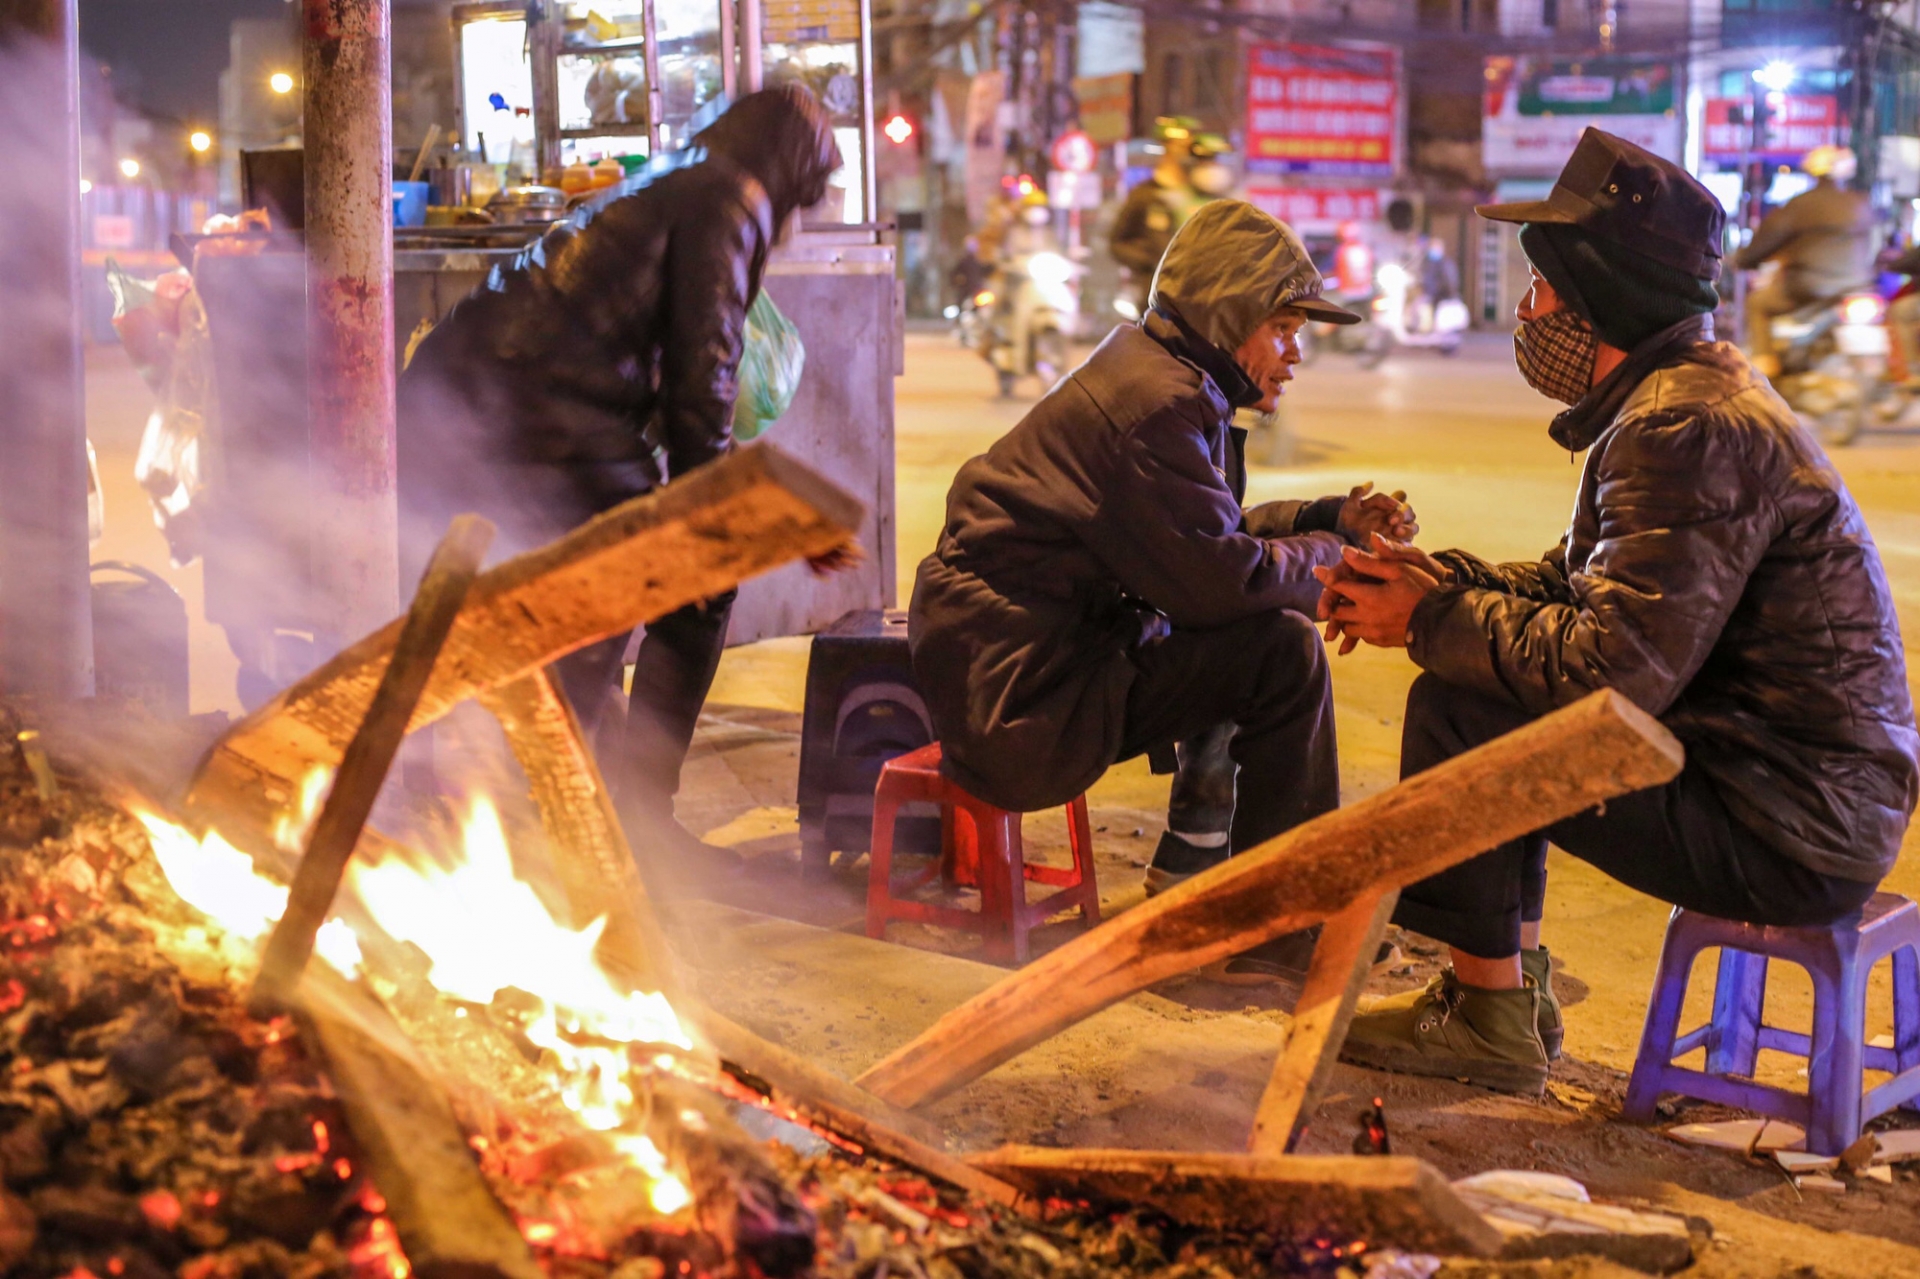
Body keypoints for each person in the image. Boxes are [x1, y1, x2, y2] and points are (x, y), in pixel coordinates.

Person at [1317, 128, 1919, 1094]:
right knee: (1479, 678)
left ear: (1602, 296)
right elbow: (1574, 584)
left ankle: (1488, 1012)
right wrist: (1427, 577)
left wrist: (1430, 621)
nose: (1524, 312)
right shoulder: (1679, 399)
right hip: (1794, 793)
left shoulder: (1684, 425)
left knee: (1463, 708)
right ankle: (1511, 993)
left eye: (1541, 289)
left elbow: (1611, 666)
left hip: (1789, 827)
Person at [911, 199, 1416, 981]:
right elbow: (1217, 576)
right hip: (1021, 697)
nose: (1295, 353)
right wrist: (1331, 559)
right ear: (1228, 313)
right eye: (1282, 327)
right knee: (1277, 648)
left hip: (1041, 661)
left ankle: (1207, 862)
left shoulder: (1160, 379)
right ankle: (1279, 923)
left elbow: (1198, 533)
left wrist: (1329, 520)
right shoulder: (1154, 405)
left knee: (1257, 621)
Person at [396, 85, 849, 869]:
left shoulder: (683, 175)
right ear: (790, 172)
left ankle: (545, 791)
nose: (798, 221)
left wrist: (753, 513)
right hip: (533, 417)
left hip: (480, 402)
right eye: (804, 202)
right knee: (686, 585)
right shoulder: (730, 198)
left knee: (602, 595)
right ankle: (607, 814)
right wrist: (716, 529)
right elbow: (704, 373)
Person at [1734, 145, 1875, 379]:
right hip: (1858, 287)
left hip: (1809, 288)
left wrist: (1745, 258)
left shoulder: (1799, 206)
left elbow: (1764, 242)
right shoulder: (1860, 203)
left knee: (1757, 303)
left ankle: (1765, 367)